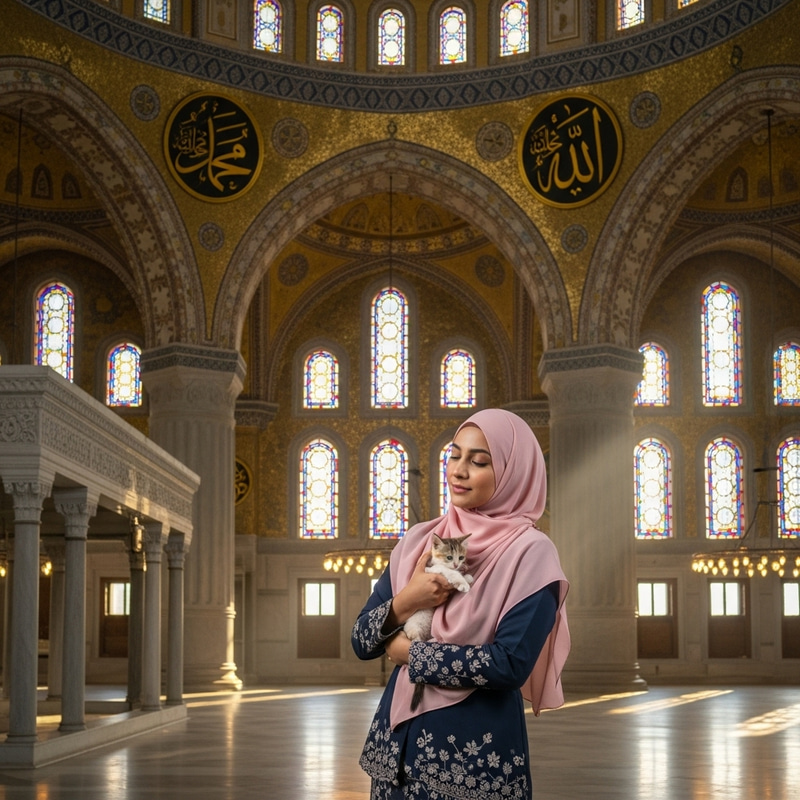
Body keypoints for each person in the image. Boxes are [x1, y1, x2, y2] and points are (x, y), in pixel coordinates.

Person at [351, 408, 570, 800]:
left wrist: (410, 655)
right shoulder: (422, 540)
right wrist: (407, 600)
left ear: (513, 473)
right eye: (454, 455)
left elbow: (508, 665)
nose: (459, 470)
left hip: (473, 763)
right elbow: (361, 641)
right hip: (393, 758)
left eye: (479, 461)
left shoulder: (531, 554)